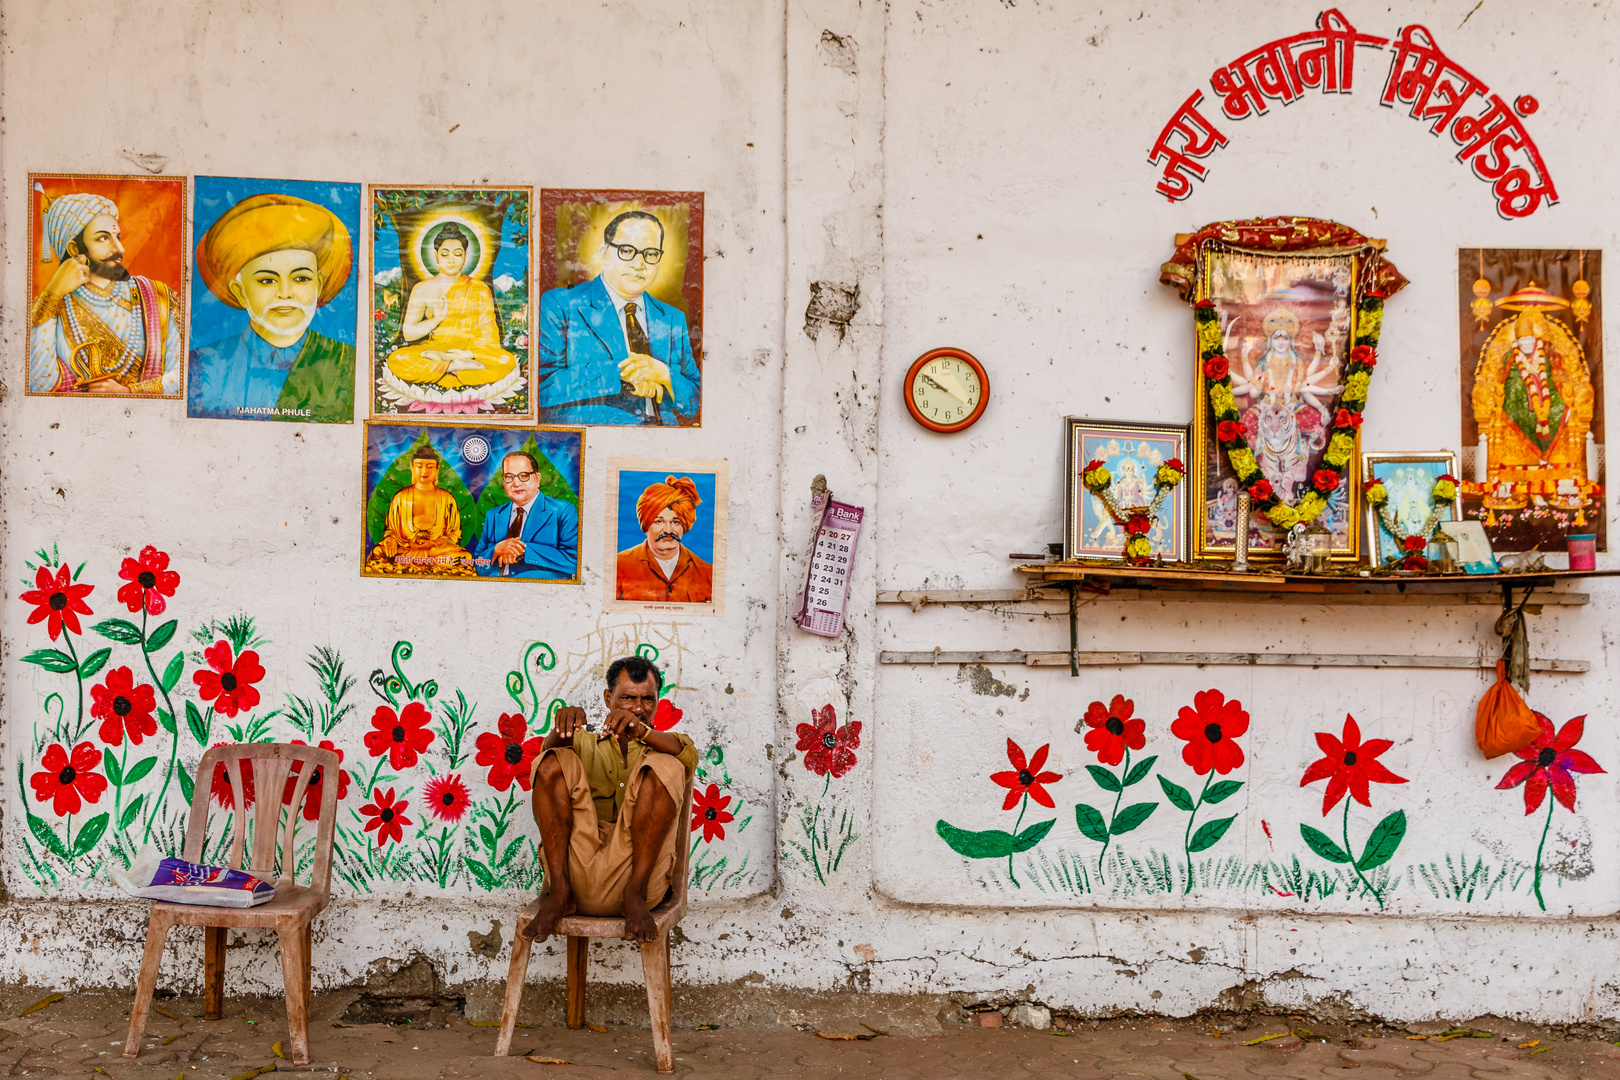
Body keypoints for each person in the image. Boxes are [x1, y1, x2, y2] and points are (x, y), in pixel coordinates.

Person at [522, 656, 697, 943]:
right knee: (553, 761)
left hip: (642, 883)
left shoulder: (666, 743)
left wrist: (642, 733)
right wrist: (561, 729)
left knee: (667, 764)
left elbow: (686, 754)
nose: (638, 709)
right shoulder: (582, 741)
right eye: (628, 698)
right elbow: (546, 760)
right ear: (608, 698)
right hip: (578, 875)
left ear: (657, 702)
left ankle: (634, 892)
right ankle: (560, 894)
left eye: (647, 700)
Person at [188, 192, 356, 422]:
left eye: (301, 279)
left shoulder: (348, 364)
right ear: (240, 292)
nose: (285, 292)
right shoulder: (203, 365)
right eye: (267, 280)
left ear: (318, 283)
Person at [536, 210, 701, 426]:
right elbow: (542, 387)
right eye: (627, 251)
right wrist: (624, 374)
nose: (639, 264)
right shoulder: (561, 304)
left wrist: (664, 374)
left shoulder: (672, 318)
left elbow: (695, 399)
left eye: (650, 253)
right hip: (596, 439)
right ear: (603, 253)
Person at [29, 191, 183, 396]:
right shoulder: (50, 307)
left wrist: (129, 391)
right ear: (75, 249)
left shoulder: (155, 295)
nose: (119, 248)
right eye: (103, 238)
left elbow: (183, 375)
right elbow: (39, 385)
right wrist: (53, 293)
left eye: (117, 237)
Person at [383, 223, 517, 394]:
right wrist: (436, 319)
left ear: (466, 256)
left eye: (458, 254)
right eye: (445, 254)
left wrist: (466, 354)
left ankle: (447, 364)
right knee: (398, 359)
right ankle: (454, 367)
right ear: (436, 256)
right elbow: (409, 333)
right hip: (434, 350)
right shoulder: (422, 288)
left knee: (506, 360)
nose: (451, 260)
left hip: (468, 354)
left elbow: (489, 336)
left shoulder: (479, 288)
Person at [469, 451, 580, 579]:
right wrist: (497, 550)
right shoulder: (493, 515)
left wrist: (523, 550)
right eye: (509, 476)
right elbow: (478, 562)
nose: (516, 483)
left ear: (537, 478)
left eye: (524, 475)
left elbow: (574, 561)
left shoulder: (562, 510)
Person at [369, 447, 473, 570]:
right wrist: (391, 540)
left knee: (465, 557)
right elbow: (391, 530)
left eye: (430, 466)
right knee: (378, 551)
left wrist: (434, 544)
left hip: (435, 550)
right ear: (412, 467)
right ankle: (431, 561)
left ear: (437, 468)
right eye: (419, 466)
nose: (424, 471)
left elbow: (455, 534)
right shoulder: (400, 497)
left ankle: (423, 559)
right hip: (407, 549)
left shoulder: (447, 499)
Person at [616, 476, 714, 603]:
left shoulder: (707, 573)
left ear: (684, 526)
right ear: (646, 526)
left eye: (675, 521)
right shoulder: (619, 566)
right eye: (659, 521)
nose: (668, 530)